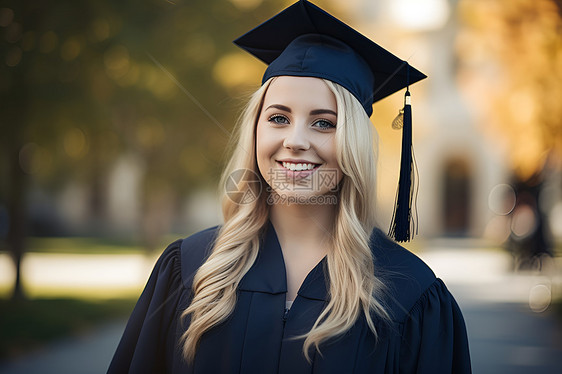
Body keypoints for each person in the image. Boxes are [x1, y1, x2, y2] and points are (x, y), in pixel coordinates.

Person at [108, 1, 471, 373]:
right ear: (255, 131)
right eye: (279, 118)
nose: (295, 140)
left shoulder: (409, 295)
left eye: (324, 123)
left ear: (355, 144)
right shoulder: (191, 269)